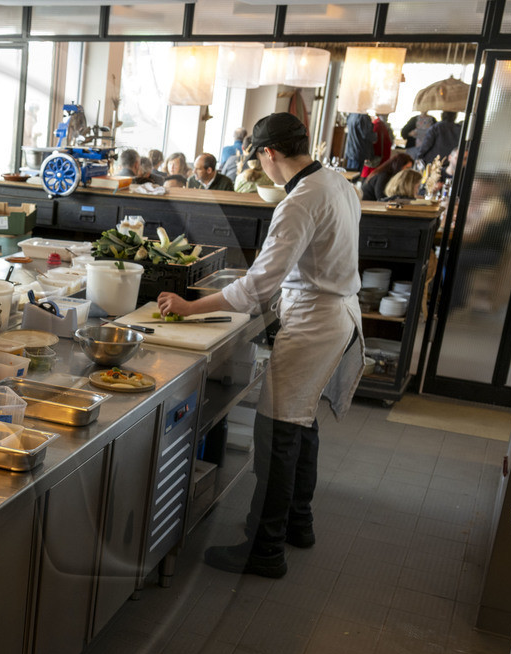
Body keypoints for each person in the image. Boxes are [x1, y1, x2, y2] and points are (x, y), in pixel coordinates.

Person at [156, 113, 363, 578]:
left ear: (268, 154)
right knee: (302, 425)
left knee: (278, 433)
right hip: (337, 314)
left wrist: (189, 307)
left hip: (315, 322)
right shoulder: (338, 181)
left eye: (260, 158)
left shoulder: (298, 201)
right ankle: (298, 524)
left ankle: (264, 549)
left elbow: (256, 289)